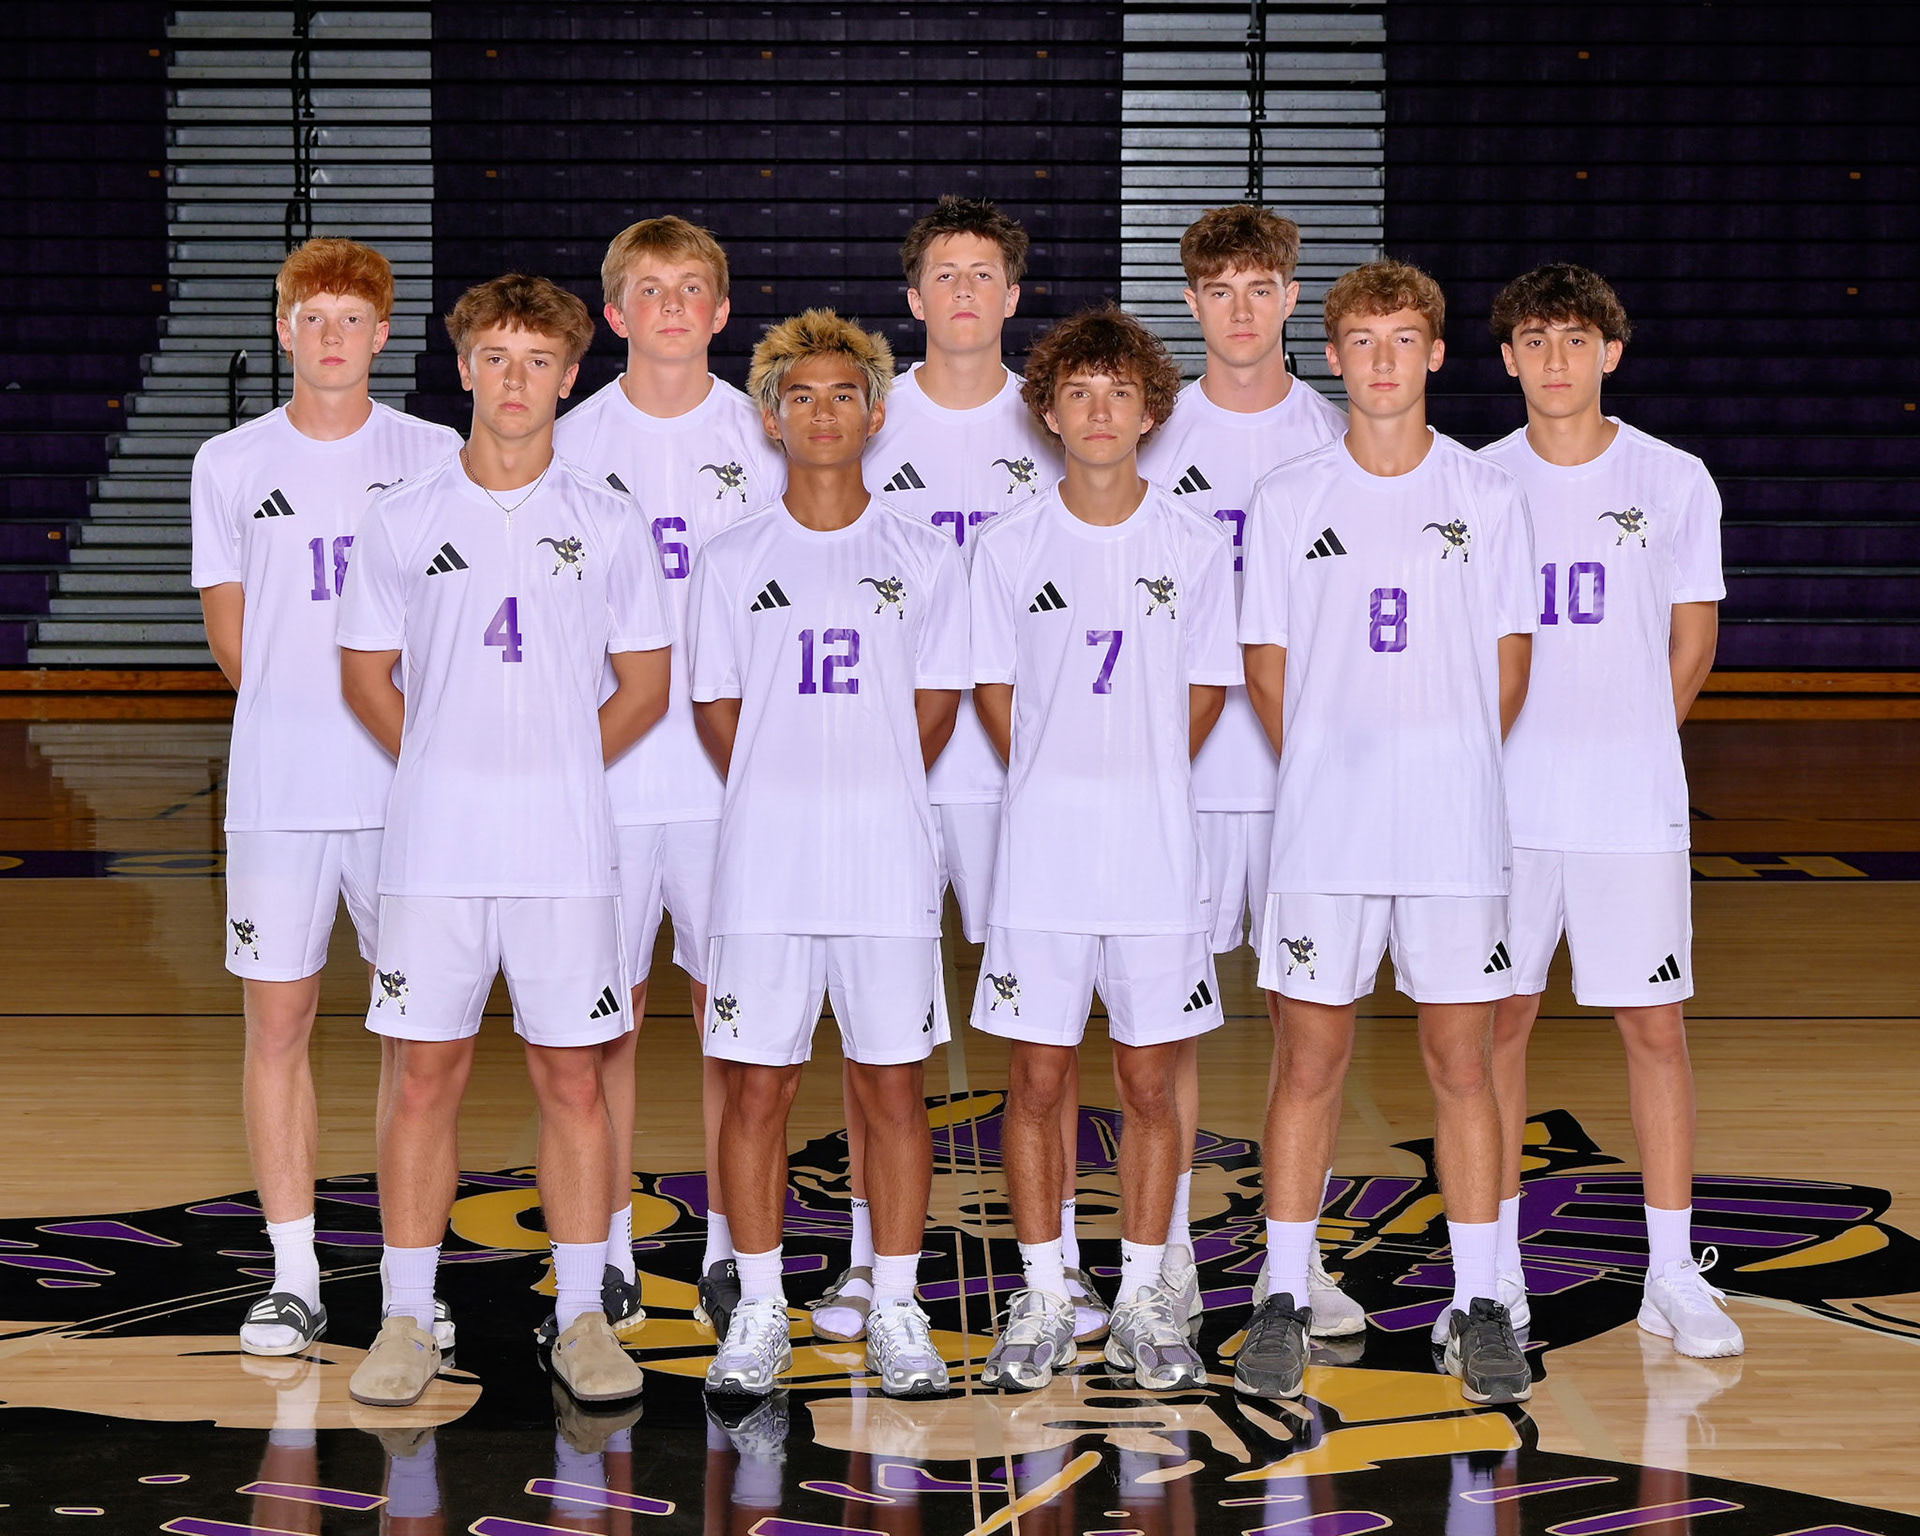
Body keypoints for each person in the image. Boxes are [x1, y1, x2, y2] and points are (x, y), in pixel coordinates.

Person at [338, 274, 671, 1408]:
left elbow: (648, 683)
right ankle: (402, 1316)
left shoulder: (610, 518)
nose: (516, 379)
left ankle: (582, 1316)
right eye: (496, 356)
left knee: (572, 1077)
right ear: (464, 366)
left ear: (570, 376)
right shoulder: (402, 515)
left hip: (567, 849)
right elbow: (364, 672)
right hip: (434, 846)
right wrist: (440, 756)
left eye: (539, 361)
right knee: (425, 1072)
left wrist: (557, 763)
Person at [1236, 260, 1538, 1404]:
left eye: (1401, 341)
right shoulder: (1288, 500)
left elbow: (1510, 658)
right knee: (1308, 1059)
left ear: (1435, 355)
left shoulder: (1487, 498)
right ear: (1334, 355)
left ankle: (1477, 1304)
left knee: (1461, 1062)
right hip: (1326, 827)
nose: (1380, 362)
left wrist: (1445, 758)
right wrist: (1325, 759)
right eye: (1361, 341)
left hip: (1453, 829)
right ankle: (1281, 1291)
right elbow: (1267, 664)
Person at [805, 196, 1074, 1346]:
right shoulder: (870, 416)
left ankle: (1049, 1270)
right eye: (943, 276)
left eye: (985, 274)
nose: (964, 292)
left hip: (1027, 761)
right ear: (913, 300)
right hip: (896, 764)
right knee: (885, 1037)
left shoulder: (1059, 419)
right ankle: (874, 1260)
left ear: (1013, 298)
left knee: (1042, 1039)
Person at [689, 309, 969, 1400]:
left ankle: (895, 1304)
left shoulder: (924, 555)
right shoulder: (730, 560)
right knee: (759, 1091)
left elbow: (937, 705)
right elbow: (718, 708)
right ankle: (757, 1308)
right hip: (764, 865)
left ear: (876, 412)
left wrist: (869, 777)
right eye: (798, 395)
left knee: (893, 1091)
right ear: (768, 418)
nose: (821, 412)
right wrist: (783, 781)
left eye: (841, 394)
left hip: (887, 861)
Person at [190, 236, 462, 1357]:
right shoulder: (228, 462)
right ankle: (295, 1274)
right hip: (282, 790)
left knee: (419, 1038)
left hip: (408, 793)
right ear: (284, 327)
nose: (333, 336)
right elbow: (233, 641)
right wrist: (309, 714)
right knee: (279, 1026)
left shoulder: (436, 452)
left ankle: (410, 1285)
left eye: (353, 319)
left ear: (384, 333)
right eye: (312, 317)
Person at [970, 305, 1239, 1393]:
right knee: (1035, 1078)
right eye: (1077, 392)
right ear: (1046, 410)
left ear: (1151, 412)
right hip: (1039, 854)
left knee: (1146, 1080)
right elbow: (995, 690)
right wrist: (1056, 773)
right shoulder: (1007, 544)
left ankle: (1139, 1298)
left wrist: (1134, 774)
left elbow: (1211, 685)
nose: (1098, 412)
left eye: (1119, 393)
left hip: (1155, 854)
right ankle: (1043, 1292)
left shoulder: (1191, 543)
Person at [1480, 263, 1741, 1358]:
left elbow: (1693, 640)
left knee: (1654, 1028)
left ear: (1611, 354)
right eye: (1535, 340)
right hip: (1500, 807)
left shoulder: (1674, 478)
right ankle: (1490, 1277)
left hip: (1630, 803)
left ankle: (1671, 1272)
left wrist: (1631, 736)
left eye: (1575, 340)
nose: (1555, 359)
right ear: (1505, 359)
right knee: (1493, 1029)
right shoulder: (1473, 483)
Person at [554, 216, 785, 1341]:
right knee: (606, 1026)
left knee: (729, 1023)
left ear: (723, 310)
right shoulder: (570, 437)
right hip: (606, 769)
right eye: (650, 290)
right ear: (614, 313)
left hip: (726, 777)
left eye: (694, 288)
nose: (674, 308)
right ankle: (604, 1250)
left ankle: (732, 1248)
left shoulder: (767, 432)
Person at [1136, 204, 1359, 1338]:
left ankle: (1293, 1258)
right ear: (1190, 303)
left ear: (1290, 298)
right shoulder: (1150, 433)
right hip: (1174, 771)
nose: (1240, 308)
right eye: (1219, 289)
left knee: (1303, 1025)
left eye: (1261, 288)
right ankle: (1164, 1253)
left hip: (1291, 776)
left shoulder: (1332, 437)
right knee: (1165, 1027)